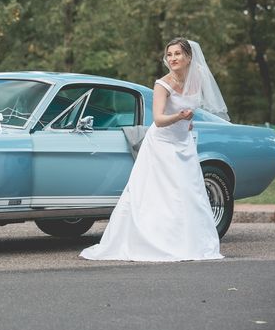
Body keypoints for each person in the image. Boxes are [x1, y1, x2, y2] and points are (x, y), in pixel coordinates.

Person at [80, 38, 229, 261]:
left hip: (184, 143)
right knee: (160, 194)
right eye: (169, 55)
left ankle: (190, 243)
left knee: (190, 193)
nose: (173, 58)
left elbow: (193, 108)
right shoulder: (163, 84)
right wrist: (179, 116)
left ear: (189, 57)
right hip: (161, 144)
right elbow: (158, 119)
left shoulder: (196, 80)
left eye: (178, 54)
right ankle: (156, 241)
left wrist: (188, 122)